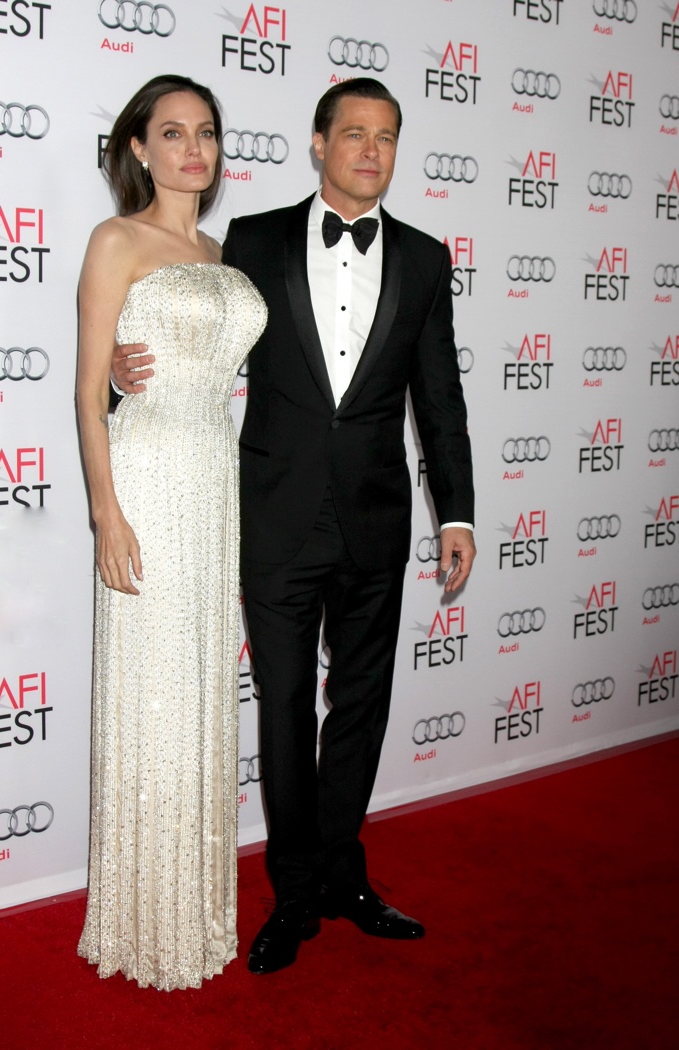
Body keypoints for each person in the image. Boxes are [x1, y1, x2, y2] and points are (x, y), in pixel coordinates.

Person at [112, 78, 475, 976]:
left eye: (385, 137)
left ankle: (345, 876)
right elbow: (197, 344)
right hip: (272, 518)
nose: (369, 152)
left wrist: (457, 510)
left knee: (360, 706)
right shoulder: (254, 240)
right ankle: (293, 893)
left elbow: (441, 399)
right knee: (280, 708)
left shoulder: (428, 261)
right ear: (318, 144)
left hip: (377, 521)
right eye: (352, 134)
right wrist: (127, 374)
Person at [76, 74, 267, 990]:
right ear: (141, 149)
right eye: (173, 133)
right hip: (148, 478)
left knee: (194, 690)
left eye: (207, 133)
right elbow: (88, 390)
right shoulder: (117, 240)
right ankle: (140, 915)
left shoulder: (227, 252)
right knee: (152, 689)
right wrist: (106, 512)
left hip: (213, 482)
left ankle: (190, 903)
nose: (194, 148)